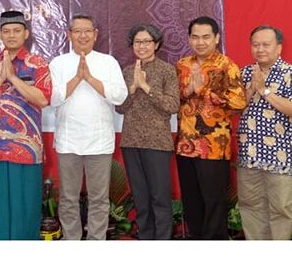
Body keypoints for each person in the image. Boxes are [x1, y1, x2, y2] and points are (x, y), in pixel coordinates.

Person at [0, 10, 52, 240]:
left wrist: (14, 78)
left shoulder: (37, 63)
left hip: (27, 148)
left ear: (26, 33)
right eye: (6, 31)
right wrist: (0, 78)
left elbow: (42, 99)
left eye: (17, 30)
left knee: (25, 206)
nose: (11, 35)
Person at [49, 15, 128, 240]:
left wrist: (90, 79)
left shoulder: (108, 62)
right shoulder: (58, 63)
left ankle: (96, 243)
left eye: (87, 31)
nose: (82, 36)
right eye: (77, 31)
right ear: (69, 35)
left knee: (99, 199)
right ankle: (71, 241)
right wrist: (76, 79)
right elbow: (52, 98)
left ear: (95, 34)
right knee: (68, 198)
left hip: (99, 141)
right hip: (68, 141)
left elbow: (120, 96)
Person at [175, 16, 246, 240]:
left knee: (213, 200)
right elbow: (171, 100)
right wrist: (188, 91)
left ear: (216, 38)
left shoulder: (227, 65)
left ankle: (215, 246)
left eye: (206, 37)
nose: (200, 42)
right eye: (195, 37)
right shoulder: (182, 65)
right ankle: (196, 241)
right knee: (192, 198)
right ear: (189, 39)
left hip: (214, 145)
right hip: (186, 144)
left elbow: (239, 102)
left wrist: (204, 90)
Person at [115, 24, 179, 240]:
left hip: (157, 143)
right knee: (140, 198)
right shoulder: (126, 72)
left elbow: (172, 105)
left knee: (160, 198)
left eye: (146, 42)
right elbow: (120, 107)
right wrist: (133, 87)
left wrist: (147, 87)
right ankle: (145, 239)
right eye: (137, 42)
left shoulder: (167, 70)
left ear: (156, 44)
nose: (142, 46)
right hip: (131, 141)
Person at [237, 25, 292, 240]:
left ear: (279, 48)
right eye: (255, 45)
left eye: (266, 45)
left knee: (281, 209)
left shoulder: (289, 74)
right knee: (251, 206)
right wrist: (251, 89)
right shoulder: (245, 72)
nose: (260, 49)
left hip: (280, 155)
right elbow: (235, 108)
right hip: (249, 154)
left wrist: (264, 91)